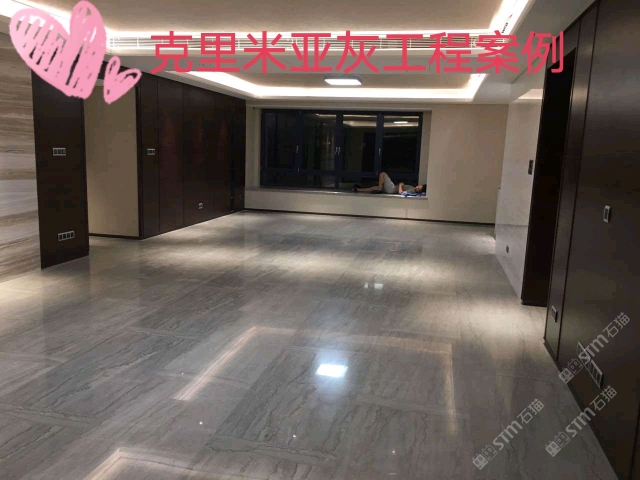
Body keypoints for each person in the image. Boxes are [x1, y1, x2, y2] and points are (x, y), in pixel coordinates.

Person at [353, 172, 425, 195]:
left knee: (383, 174)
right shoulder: (412, 187)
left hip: (392, 189)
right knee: (374, 188)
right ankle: (358, 190)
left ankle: (380, 188)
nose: (417, 187)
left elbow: (401, 193)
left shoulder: (412, 190)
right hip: (391, 189)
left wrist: (400, 185)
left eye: (419, 188)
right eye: (419, 186)